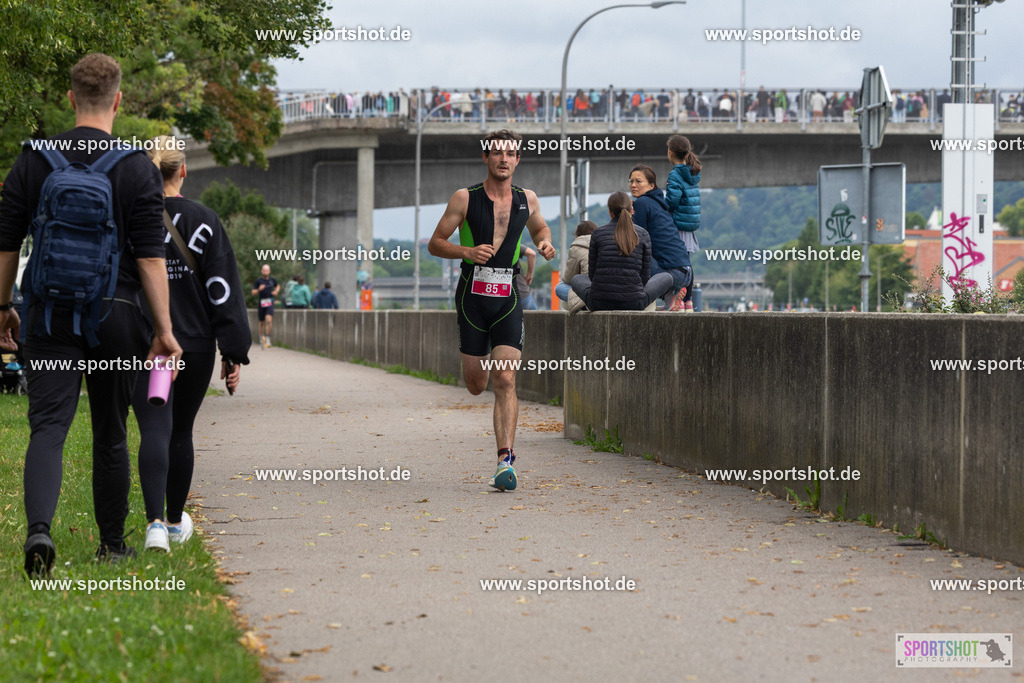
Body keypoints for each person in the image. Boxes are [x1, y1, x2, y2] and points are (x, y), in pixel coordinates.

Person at [0, 53, 183, 575]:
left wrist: (2, 309)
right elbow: (151, 256)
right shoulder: (136, 168)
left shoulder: (34, 158)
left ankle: (39, 532)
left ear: (70, 97)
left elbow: (6, 244)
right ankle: (111, 542)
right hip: (117, 317)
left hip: (50, 316)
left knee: (49, 427)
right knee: (111, 428)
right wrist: (164, 331)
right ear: (119, 101)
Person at [131, 136, 250, 552]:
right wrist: (233, 351)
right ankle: (177, 521)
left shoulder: (134, 217)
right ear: (183, 171)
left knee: (153, 430)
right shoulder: (205, 220)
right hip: (197, 344)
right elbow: (223, 288)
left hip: (147, 344)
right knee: (181, 432)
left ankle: (153, 526)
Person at [427, 129, 555, 492]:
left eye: (510, 153)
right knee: (476, 384)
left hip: (508, 296)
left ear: (518, 160)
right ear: (486, 158)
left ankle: (505, 460)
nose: (503, 158)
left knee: (506, 379)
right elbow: (436, 243)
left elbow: (540, 227)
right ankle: (472, 357)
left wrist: (544, 242)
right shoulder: (464, 198)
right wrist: (466, 252)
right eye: (496, 153)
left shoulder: (526, 199)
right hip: (471, 297)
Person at [570, 192, 673, 312]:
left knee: (577, 278)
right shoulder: (643, 234)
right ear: (632, 210)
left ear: (610, 212)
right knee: (667, 277)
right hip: (635, 302)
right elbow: (644, 277)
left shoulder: (598, 234)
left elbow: (592, 275)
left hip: (598, 302)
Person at [628, 165, 691, 311]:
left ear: (651, 185)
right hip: (684, 271)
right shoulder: (657, 203)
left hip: (672, 274)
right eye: (630, 181)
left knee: (633, 256)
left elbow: (635, 239)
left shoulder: (642, 203)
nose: (633, 185)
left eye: (638, 181)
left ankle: (645, 301)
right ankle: (671, 296)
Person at [665, 135, 702, 312]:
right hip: (689, 222)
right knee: (688, 263)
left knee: (680, 264)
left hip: (678, 221)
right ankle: (688, 302)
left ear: (670, 152)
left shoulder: (675, 174)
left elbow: (672, 200)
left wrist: (662, 207)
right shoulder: (692, 172)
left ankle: (678, 299)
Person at [555, 221, 597, 308]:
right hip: (605, 291)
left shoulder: (577, 246)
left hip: (589, 294)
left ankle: (582, 305)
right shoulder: (603, 243)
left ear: (578, 236)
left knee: (560, 287)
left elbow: (568, 279)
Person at [252, 264, 279, 348]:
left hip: (270, 302)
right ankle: (261, 338)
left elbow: (277, 286)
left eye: (267, 270)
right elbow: (253, 293)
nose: (266, 272)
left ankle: (268, 338)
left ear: (269, 271)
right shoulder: (258, 281)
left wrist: (276, 291)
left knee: (269, 320)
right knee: (261, 322)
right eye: (264, 270)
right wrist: (259, 289)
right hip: (262, 303)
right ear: (261, 271)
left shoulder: (272, 280)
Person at [515, 246, 538, 310]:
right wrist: (529, 275)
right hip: (522, 294)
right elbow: (532, 254)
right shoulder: (511, 243)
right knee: (536, 318)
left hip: (498, 297)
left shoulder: (487, 245)